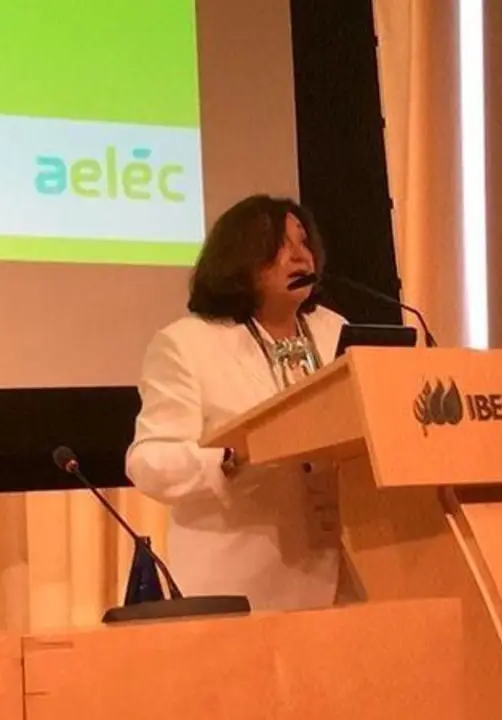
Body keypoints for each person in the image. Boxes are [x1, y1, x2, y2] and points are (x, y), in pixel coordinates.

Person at [125, 194, 352, 612]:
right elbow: (148, 463)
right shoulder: (188, 344)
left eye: (304, 242)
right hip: (242, 589)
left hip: (349, 580)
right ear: (239, 257)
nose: (299, 256)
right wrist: (231, 457)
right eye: (279, 245)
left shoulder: (334, 329)